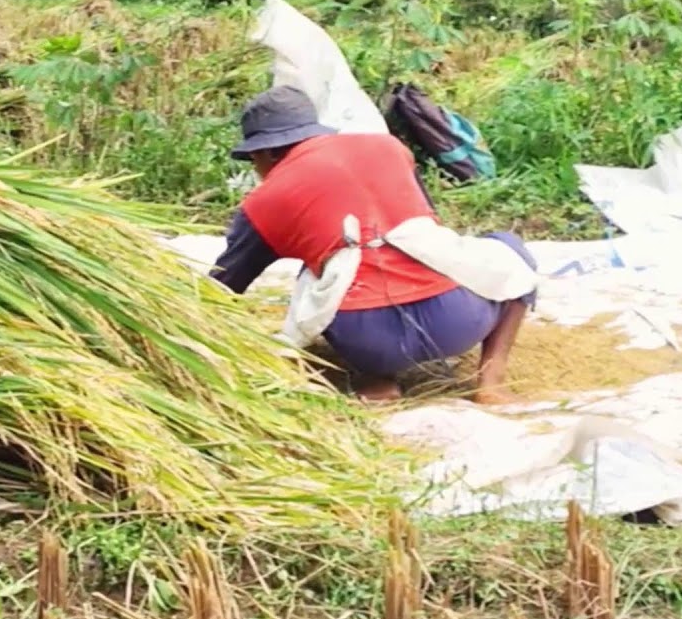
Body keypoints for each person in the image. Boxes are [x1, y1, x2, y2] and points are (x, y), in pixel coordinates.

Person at [209, 86, 538, 404]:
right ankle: (491, 382)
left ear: (266, 151)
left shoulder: (264, 200)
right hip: (458, 323)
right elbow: (426, 226)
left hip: (366, 340)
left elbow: (221, 288)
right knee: (508, 247)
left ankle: (377, 381)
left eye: (253, 161)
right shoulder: (390, 148)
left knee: (322, 271)